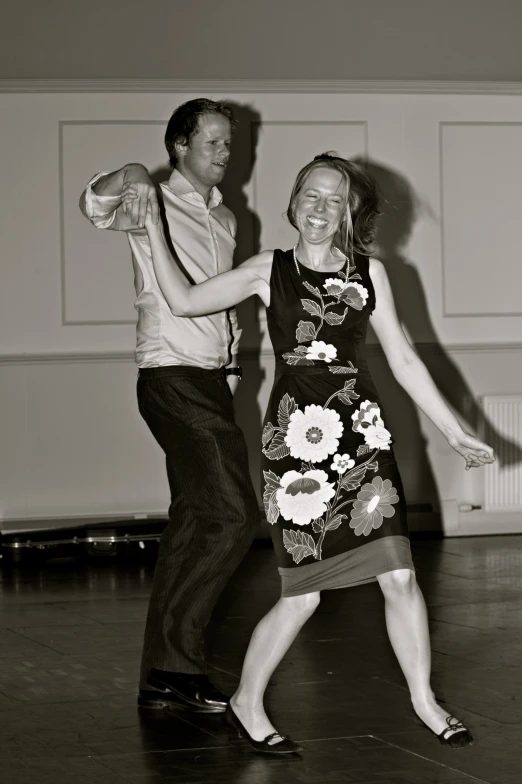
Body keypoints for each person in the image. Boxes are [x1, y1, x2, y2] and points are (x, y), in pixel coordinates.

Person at [132, 152, 495, 754]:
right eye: (311, 195)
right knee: (303, 595)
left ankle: (424, 700)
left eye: (334, 198)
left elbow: (403, 359)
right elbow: (185, 300)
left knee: (401, 575)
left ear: (350, 211)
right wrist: (149, 227)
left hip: (363, 437)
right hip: (298, 445)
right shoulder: (265, 270)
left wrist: (454, 430)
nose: (321, 208)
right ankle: (248, 700)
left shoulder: (369, 275)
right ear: (294, 203)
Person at [79, 99, 259, 714]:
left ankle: (163, 672)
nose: (225, 154)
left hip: (211, 381)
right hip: (169, 376)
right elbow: (93, 205)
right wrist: (131, 171)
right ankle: (179, 664)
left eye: (229, 145)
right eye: (213, 143)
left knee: (193, 522)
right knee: (234, 515)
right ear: (180, 145)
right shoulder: (148, 199)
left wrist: (232, 366)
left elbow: (226, 301)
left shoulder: (229, 218)